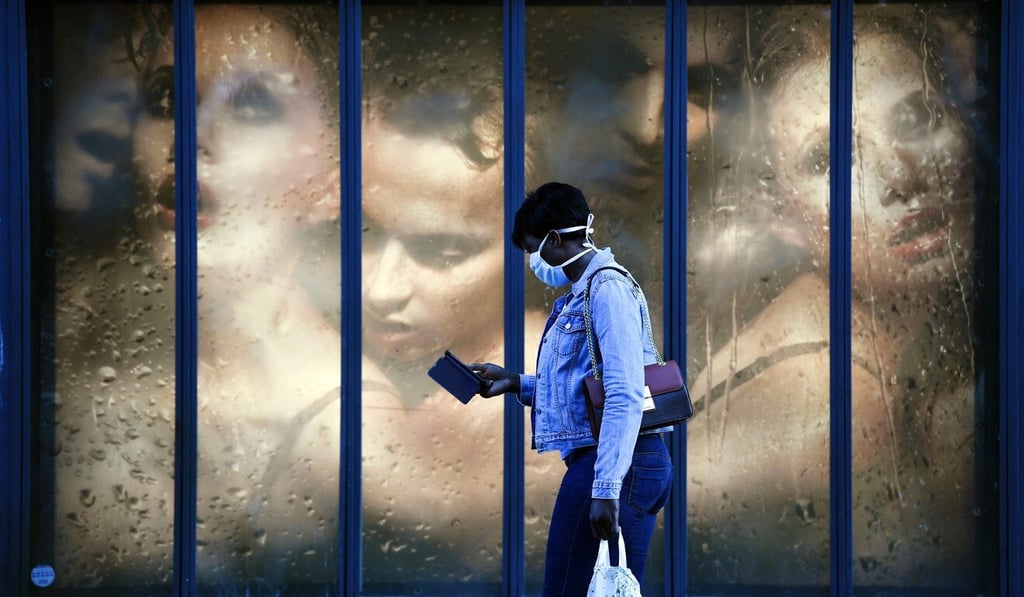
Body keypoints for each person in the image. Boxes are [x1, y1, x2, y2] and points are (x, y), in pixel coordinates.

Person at [49, 4, 350, 588]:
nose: (190, 134)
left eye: (253, 105)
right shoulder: (71, 325)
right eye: (164, 100)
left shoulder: (348, 434)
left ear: (332, 180)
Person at [685, 4, 986, 588]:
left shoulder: (897, 345)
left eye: (918, 117)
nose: (901, 175)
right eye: (831, 157)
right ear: (784, 218)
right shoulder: (833, 406)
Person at [470, 182, 673, 597]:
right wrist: (514, 382)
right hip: (619, 461)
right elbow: (583, 389)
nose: (533, 262)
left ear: (555, 239)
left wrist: (606, 488)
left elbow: (624, 392)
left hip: (621, 462)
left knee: (567, 588)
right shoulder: (582, 292)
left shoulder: (608, 289)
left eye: (533, 250)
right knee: (607, 590)